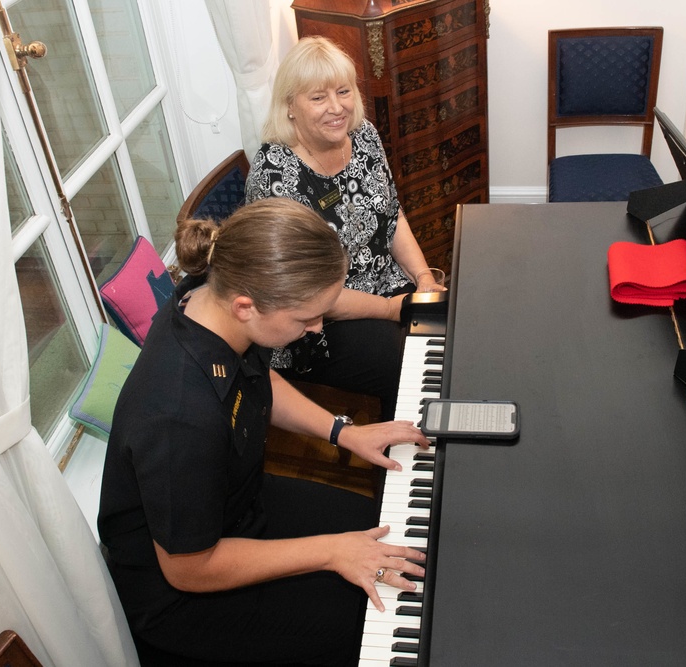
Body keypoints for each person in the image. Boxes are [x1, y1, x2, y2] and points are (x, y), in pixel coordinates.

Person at [97, 198, 431, 666]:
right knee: (373, 617)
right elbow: (189, 568)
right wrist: (331, 551)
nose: (316, 329)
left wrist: (345, 433)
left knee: (394, 534)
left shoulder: (209, 298)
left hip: (240, 503)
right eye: (305, 318)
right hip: (186, 591)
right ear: (246, 307)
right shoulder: (177, 416)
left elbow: (256, 380)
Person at [245, 36, 444, 420]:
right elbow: (308, 293)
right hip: (313, 323)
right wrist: (392, 309)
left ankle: (436, 435)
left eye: (343, 91)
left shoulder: (363, 135)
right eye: (318, 98)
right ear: (290, 106)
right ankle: (402, 461)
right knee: (405, 359)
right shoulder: (275, 179)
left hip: (384, 287)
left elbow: (392, 214)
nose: (337, 108)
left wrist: (421, 279)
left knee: (443, 322)